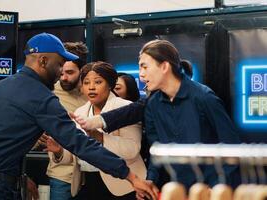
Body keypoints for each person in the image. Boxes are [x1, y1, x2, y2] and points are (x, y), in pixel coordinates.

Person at [0, 33, 158, 200]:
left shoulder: (0, 87)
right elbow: (79, 143)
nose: (61, 72)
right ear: (43, 61)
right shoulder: (40, 97)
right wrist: (130, 176)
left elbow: (0, 144)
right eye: (60, 64)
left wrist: (20, 177)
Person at [73, 39, 241, 198]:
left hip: (212, 190)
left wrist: (220, 186)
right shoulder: (153, 104)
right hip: (177, 190)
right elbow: (156, 150)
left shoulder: (204, 98)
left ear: (164, 66)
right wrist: (150, 180)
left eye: (144, 67)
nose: (141, 75)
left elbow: (231, 148)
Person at [46, 61, 147, 200]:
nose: (91, 87)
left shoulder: (125, 108)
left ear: (110, 84)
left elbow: (132, 149)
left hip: (122, 185)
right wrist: (59, 151)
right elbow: (76, 154)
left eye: (98, 82)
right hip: (87, 181)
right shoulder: (80, 112)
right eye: (86, 83)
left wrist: (100, 137)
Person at [45, 42, 88, 200]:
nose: (64, 78)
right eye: (61, 72)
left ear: (82, 71)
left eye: (70, 73)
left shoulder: (93, 91)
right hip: (63, 173)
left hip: (93, 172)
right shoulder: (49, 92)